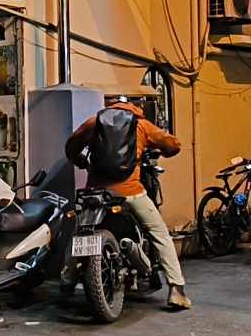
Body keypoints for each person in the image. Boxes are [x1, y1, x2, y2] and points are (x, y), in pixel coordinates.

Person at [66, 95, 189, 310]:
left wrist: (81, 160)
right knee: (159, 233)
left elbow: (71, 147)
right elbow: (173, 144)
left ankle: (66, 280)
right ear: (134, 107)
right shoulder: (141, 125)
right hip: (129, 191)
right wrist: (166, 151)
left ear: (109, 107)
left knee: (80, 231)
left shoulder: (94, 122)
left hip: (96, 192)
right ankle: (177, 290)